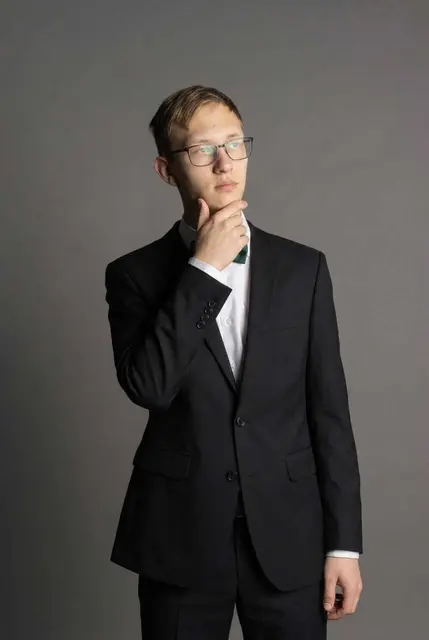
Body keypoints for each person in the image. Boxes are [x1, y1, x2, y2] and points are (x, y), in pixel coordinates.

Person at [104, 84, 363, 639]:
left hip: (289, 535)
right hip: (180, 537)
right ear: (167, 170)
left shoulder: (304, 269)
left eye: (234, 143)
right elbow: (150, 386)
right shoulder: (133, 275)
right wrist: (203, 271)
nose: (224, 163)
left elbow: (330, 413)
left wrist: (344, 545)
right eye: (202, 150)